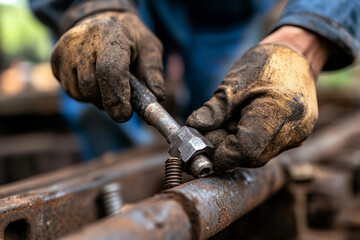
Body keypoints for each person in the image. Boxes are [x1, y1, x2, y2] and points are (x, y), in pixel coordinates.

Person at [30, 0, 360, 171]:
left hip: (225, 12)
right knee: (102, 82)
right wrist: (94, 7)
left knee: (231, 116)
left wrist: (303, 41)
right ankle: (113, 198)